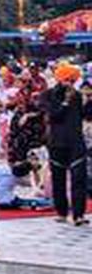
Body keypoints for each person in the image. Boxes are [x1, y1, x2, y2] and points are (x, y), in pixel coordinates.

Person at [44, 63, 87, 226]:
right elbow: (53, 116)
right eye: (67, 80)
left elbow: (84, 115)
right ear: (60, 79)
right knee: (58, 179)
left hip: (76, 142)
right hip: (57, 143)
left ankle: (79, 214)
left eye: (72, 80)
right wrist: (65, 103)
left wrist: (87, 100)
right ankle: (62, 212)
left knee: (79, 180)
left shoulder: (77, 96)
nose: (69, 83)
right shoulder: (49, 95)